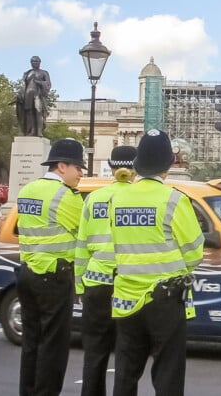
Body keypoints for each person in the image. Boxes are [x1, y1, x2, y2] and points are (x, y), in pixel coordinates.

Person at [110, 129, 204, 396]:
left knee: (126, 373)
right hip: (165, 300)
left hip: (126, 298)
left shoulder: (117, 199)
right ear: (168, 165)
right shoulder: (174, 200)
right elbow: (194, 252)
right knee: (167, 376)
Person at [16, 138, 85, 395]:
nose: (80, 174)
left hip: (27, 274)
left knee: (31, 343)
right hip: (53, 277)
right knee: (53, 347)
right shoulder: (65, 197)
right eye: (77, 167)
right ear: (61, 166)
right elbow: (85, 230)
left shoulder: (27, 190)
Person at [74, 145, 137, 396]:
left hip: (95, 283)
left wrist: (80, 285)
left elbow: (82, 246)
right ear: (136, 169)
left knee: (95, 352)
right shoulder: (138, 198)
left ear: (111, 167)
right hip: (128, 284)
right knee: (126, 353)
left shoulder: (93, 199)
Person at [16, 55, 52, 136]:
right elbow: (23, 85)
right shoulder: (27, 73)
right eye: (32, 61)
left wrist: (39, 82)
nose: (34, 63)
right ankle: (31, 130)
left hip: (38, 94)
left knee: (38, 111)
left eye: (36, 61)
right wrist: (19, 94)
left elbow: (48, 84)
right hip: (28, 94)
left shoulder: (44, 73)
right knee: (29, 112)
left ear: (39, 62)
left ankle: (39, 131)